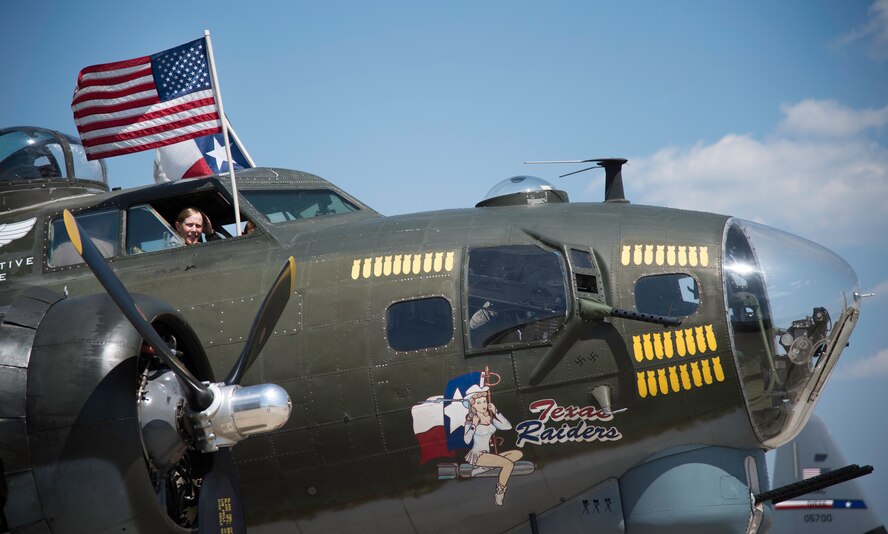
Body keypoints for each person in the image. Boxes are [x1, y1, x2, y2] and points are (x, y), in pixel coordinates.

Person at [463, 384, 523, 505]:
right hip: (478, 455)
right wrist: (473, 426)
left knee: (518, 454)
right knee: (508, 464)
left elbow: (507, 426)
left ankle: (485, 468)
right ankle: (500, 492)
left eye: (484, 401)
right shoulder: (470, 421)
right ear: (472, 405)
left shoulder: (489, 418)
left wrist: (496, 411)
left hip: (488, 455)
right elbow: (466, 440)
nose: (483, 405)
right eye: (479, 403)